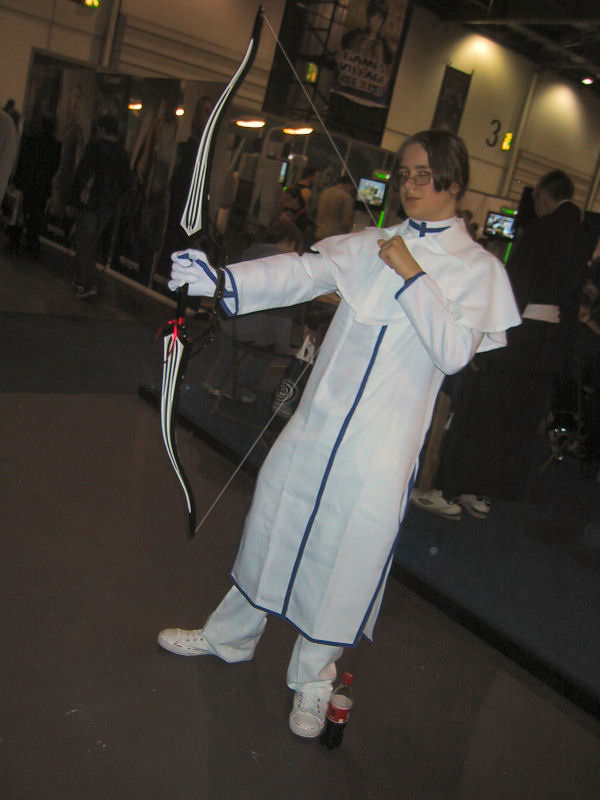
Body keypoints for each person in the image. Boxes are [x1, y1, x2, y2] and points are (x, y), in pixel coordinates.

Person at [159, 130, 520, 739]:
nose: (409, 185)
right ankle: (230, 637)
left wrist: (411, 275)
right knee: (273, 520)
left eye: (423, 175)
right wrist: (222, 281)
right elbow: (303, 272)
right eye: (404, 174)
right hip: (317, 424)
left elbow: (454, 351)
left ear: (454, 182)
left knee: (346, 555)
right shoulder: (371, 243)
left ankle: (314, 679)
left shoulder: (478, 270)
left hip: (382, 447)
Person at [411, 169, 586, 520]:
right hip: (547, 346)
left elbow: (515, 290)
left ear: (544, 195)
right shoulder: (582, 236)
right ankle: (482, 493)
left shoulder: (542, 230)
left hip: (518, 337)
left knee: (480, 411)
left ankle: (448, 489)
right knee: (515, 422)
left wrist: (490, 336)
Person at [204, 219, 304, 403]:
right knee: (263, 348)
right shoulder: (285, 268)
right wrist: (284, 348)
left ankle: (215, 382)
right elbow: (281, 314)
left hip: (228, 319)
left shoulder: (250, 252)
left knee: (229, 351)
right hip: (253, 331)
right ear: (290, 242)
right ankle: (240, 389)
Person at [70, 115, 131, 299]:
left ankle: (86, 282)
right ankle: (83, 280)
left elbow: (83, 173)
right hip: (108, 206)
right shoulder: (122, 154)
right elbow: (126, 182)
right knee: (92, 242)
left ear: (102, 129)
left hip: (91, 202)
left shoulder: (95, 148)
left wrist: (74, 198)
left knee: (84, 242)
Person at [11, 114, 61, 253]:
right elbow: (54, 167)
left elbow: (23, 160)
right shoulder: (55, 145)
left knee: (22, 210)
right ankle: (31, 241)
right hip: (42, 185)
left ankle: (15, 237)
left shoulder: (31, 140)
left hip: (28, 181)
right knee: (36, 214)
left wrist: (18, 179)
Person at [315, 174, 355, 240]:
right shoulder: (346, 198)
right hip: (333, 236)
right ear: (348, 185)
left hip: (319, 232)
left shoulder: (325, 192)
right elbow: (346, 221)